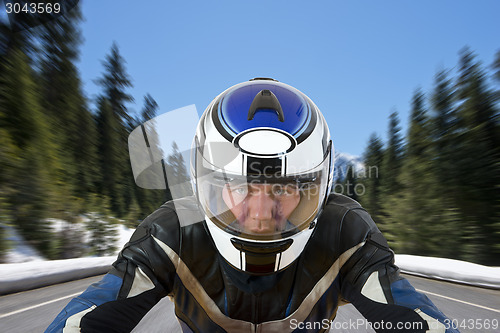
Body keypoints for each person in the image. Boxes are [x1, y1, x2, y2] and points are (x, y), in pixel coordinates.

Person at [46, 78, 458, 332]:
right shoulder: (171, 233)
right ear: (206, 184)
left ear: (318, 186)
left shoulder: (345, 232)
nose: (260, 216)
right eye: (240, 187)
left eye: (284, 188)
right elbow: (87, 319)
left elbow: (417, 320)